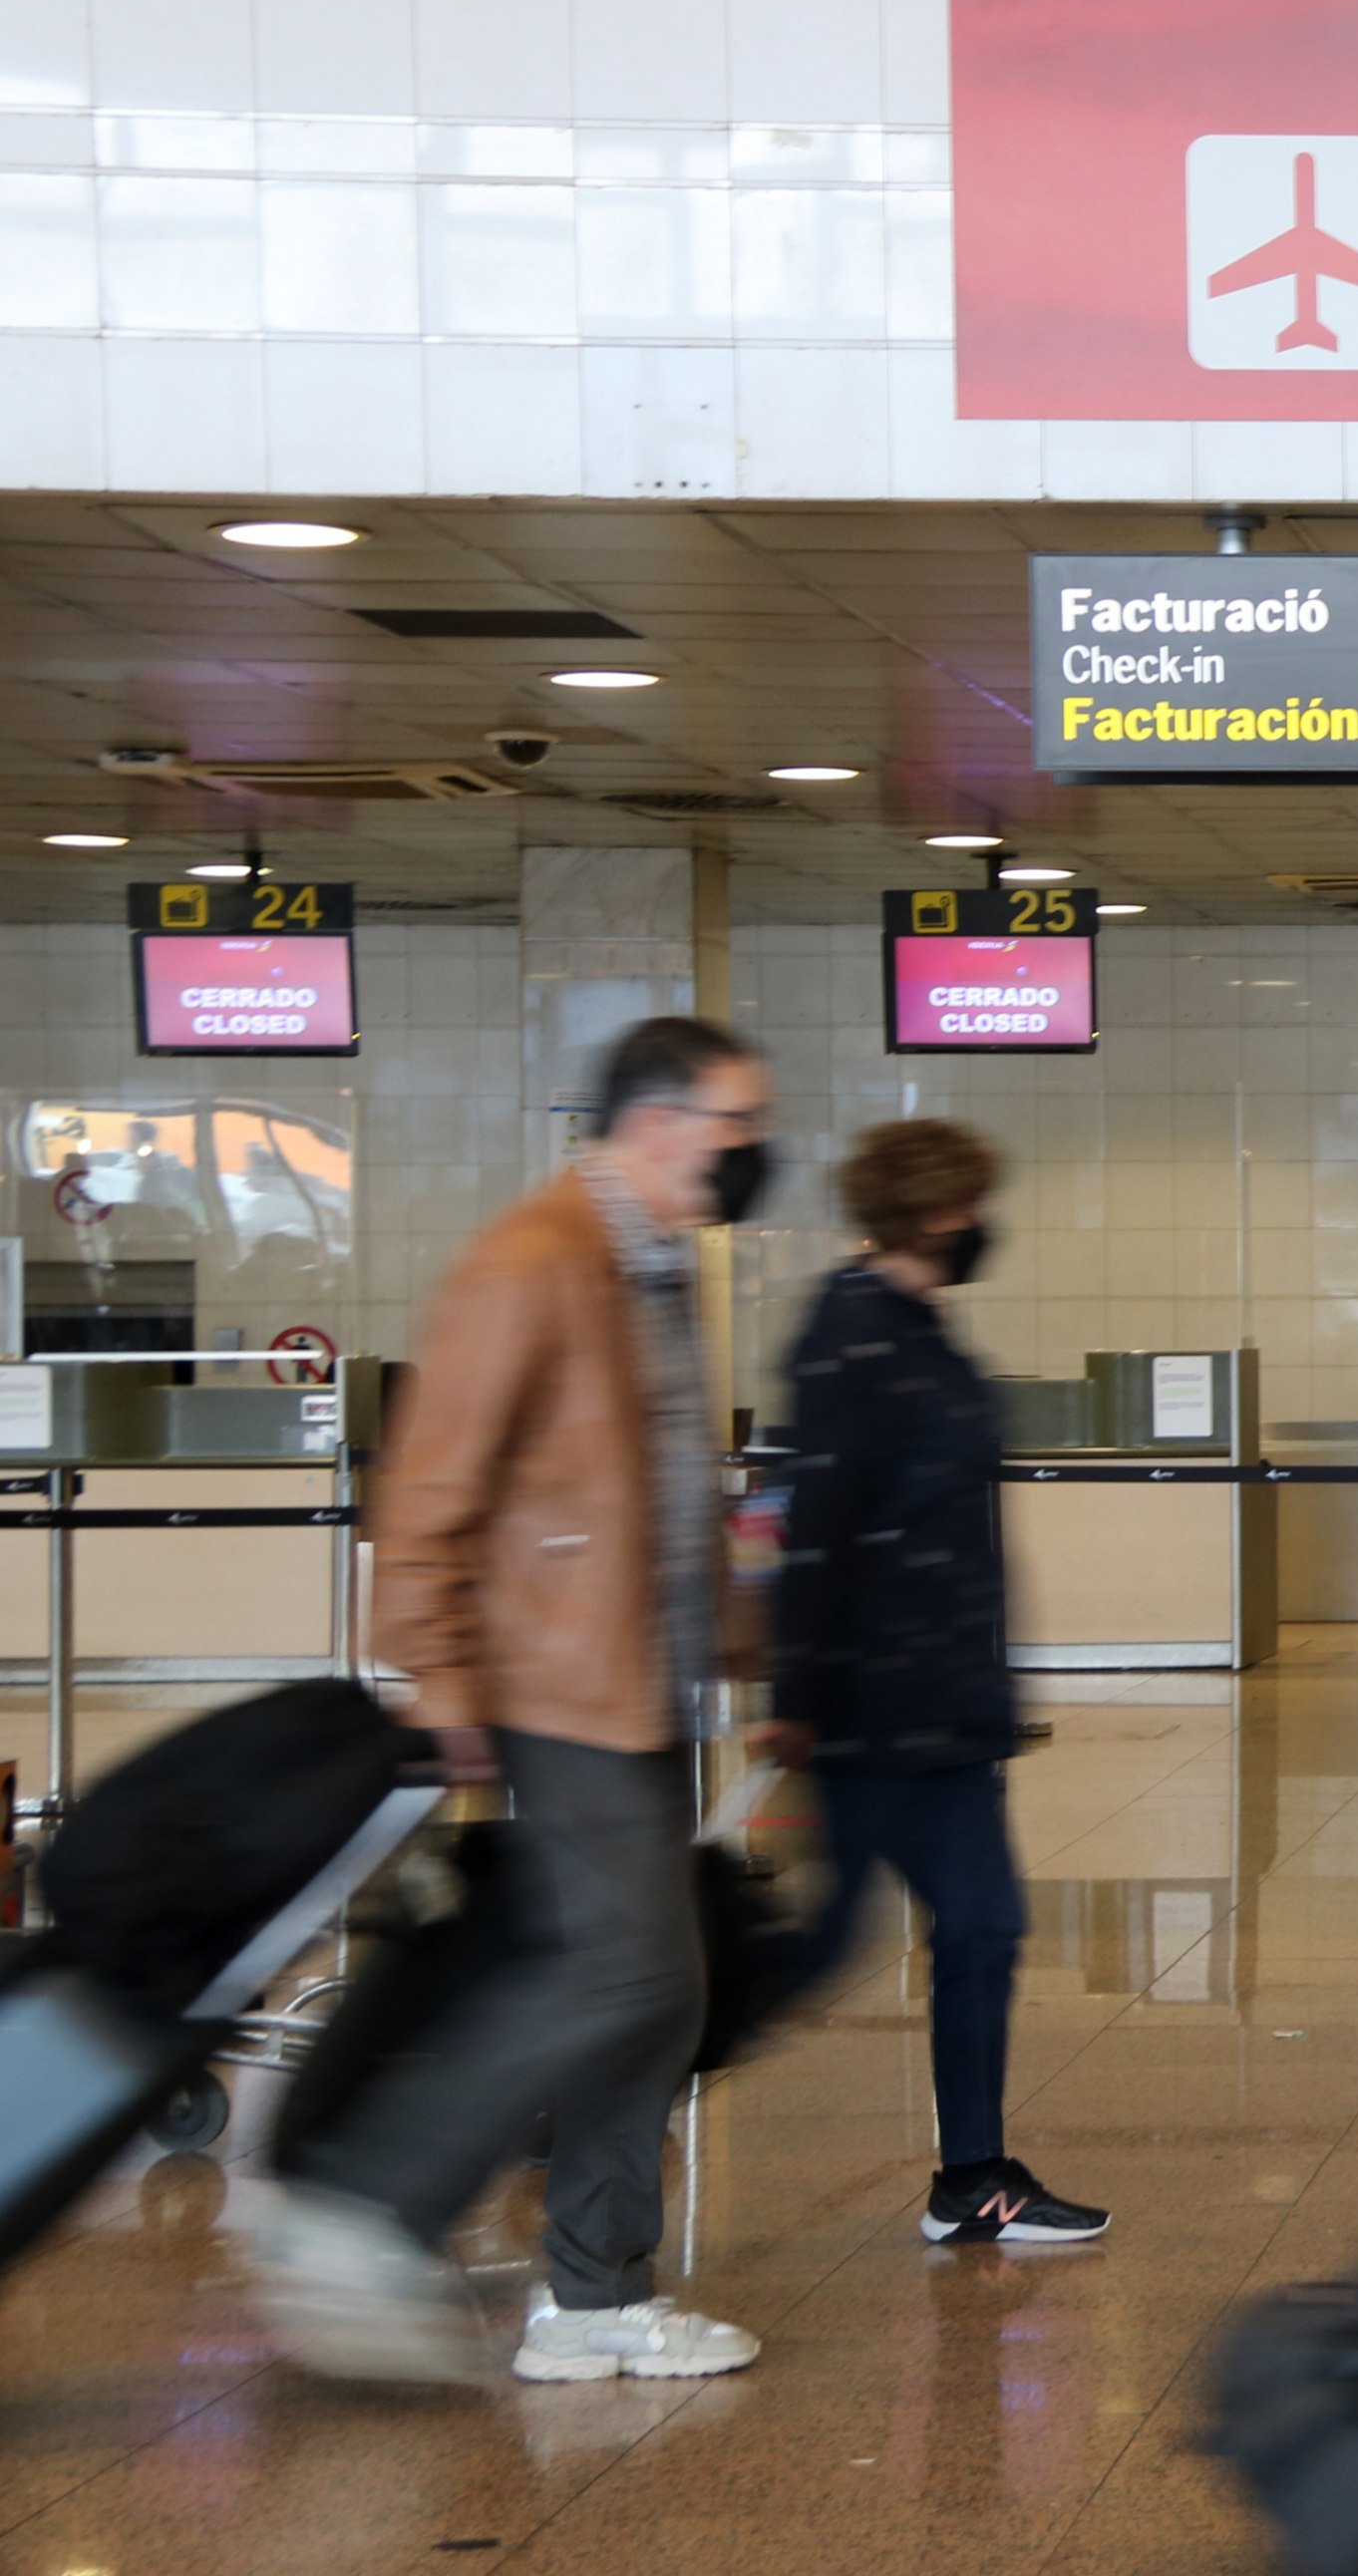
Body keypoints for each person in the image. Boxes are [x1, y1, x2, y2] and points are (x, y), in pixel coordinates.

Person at [263, 1016, 778, 2386]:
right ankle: (368, 2204)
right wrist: (436, 1668)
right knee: (622, 1971)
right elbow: (431, 1486)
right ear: (661, 1122)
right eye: (738, 1125)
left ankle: (597, 2299)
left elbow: (665, 1485)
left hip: (640, 1679)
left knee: (658, 1991)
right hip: (561, 1684)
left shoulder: (646, 1265)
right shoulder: (533, 1259)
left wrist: (742, 1649)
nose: (752, 1152)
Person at [747, 1120, 1107, 2248]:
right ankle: (597, 2090)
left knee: (982, 1928)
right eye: (970, 1207)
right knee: (821, 1945)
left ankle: (973, 2176)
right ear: (939, 1212)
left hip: (945, 1701)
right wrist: (796, 1694)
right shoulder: (852, 1335)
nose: (980, 1226)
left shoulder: (914, 1326)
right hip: (877, 1707)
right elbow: (817, 1528)